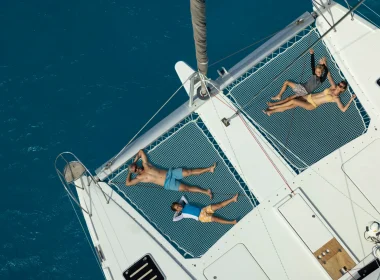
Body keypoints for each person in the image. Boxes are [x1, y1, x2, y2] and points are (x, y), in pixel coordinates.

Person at [125, 149, 215, 199]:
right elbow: (128, 183)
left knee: (189, 171)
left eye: (136, 166)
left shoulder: (145, 164)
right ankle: (206, 192)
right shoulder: (139, 178)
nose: (137, 168)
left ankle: (209, 169)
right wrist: (129, 172)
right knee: (187, 189)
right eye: (135, 169)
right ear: (135, 172)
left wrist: (134, 161)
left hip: (170, 173)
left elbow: (140, 152)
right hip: (167, 184)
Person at [263, 79, 356, 116]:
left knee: (294, 101)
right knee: (289, 106)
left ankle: (273, 107)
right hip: (308, 97)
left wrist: (351, 99)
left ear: (343, 89)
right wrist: (324, 64)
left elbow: (343, 110)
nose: (339, 85)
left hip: (311, 104)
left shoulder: (336, 98)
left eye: (341, 86)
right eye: (340, 84)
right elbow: (329, 76)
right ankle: (271, 111)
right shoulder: (332, 88)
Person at [171, 194, 238, 225]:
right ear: (177, 210)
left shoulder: (186, 204)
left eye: (178, 205)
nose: (179, 206)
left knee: (218, 205)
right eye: (177, 207)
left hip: (203, 209)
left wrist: (178, 204)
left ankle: (233, 199)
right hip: (201, 217)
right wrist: (177, 212)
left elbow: (182, 197)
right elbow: (174, 219)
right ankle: (232, 222)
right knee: (216, 219)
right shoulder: (183, 215)